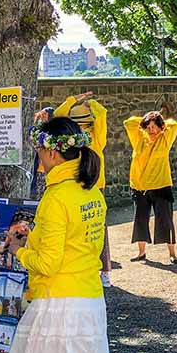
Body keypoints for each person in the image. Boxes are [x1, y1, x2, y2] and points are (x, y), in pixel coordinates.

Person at [1, 117, 111, 353]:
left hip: (59, 307)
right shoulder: (92, 192)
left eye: (39, 151)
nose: (38, 159)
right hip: (90, 301)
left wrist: (19, 251)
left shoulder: (56, 197)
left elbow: (48, 264)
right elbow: (85, 245)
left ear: (51, 152)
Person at [54, 91, 112, 287]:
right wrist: (83, 102)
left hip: (89, 186)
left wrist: (83, 102)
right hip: (85, 185)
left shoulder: (91, 136)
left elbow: (101, 113)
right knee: (92, 229)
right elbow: (59, 115)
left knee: (91, 228)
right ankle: (96, 270)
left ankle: (103, 270)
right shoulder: (78, 138)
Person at [124, 111, 177, 264]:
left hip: (161, 185)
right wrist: (145, 120)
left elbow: (175, 125)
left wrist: (159, 122)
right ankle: (141, 253)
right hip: (140, 186)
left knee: (166, 220)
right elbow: (128, 123)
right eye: (148, 127)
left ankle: (172, 254)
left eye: (154, 127)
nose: (151, 130)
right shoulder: (138, 137)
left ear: (161, 127)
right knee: (140, 220)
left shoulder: (165, 138)